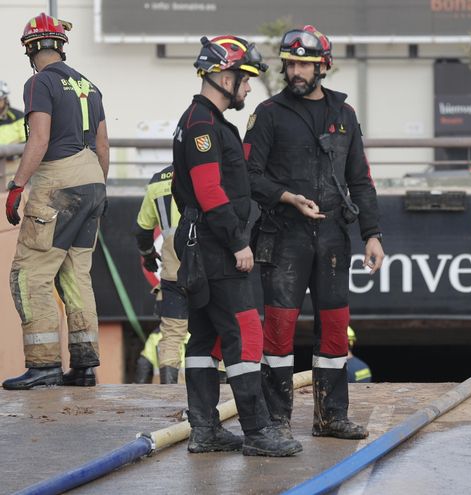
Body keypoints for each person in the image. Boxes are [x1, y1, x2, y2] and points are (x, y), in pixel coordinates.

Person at [244, 24, 383, 440]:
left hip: (334, 240)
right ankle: (277, 421)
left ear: (323, 66)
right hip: (284, 237)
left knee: (336, 327)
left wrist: (372, 234)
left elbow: (361, 178)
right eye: (290, 63)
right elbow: (249, 175)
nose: (296, 71)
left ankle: (331, 417)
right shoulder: (268, 115)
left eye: (304, 64)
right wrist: (287, 196)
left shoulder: (345, 115)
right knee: (279, 330)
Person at [171, 35, 300, 456]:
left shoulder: (198, 120)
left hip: (198, 244)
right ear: (223, 75)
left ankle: (205, 429)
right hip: (217, 246)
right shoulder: (204, 125)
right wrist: (236, 242)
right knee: (244, 333)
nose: (248, 88)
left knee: (204, 338)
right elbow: (209, 191)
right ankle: (259, 431)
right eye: (244, 79)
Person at [3, 13, 109, 390]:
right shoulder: (89, 86)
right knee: (76, 276)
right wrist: (98, 190)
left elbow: (40, 138)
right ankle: (84, 366)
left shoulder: (39, 82)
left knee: (29, 275)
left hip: (58, 185)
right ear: (60, 46)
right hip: (93, 183)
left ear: (30, 49)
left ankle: (43, 364)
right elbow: (102, 145)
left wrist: (17, 185)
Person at [133, 165, 187, 384]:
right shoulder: (205, 169)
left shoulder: (157, 181)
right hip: (207, 260)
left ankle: (168, 393)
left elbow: (143, 229)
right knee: (218, 326)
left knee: (172, 333)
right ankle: (220, 392)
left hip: (172, 263)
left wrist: (147, 255)